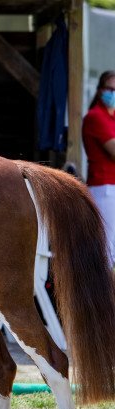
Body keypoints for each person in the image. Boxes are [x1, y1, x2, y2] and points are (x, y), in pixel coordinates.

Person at [82, 70, 115, 264]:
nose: (113, 93)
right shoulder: (95, 117)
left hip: (110, 187)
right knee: (107, 247)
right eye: (110, 89)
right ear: (100, 90)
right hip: (104, 188)